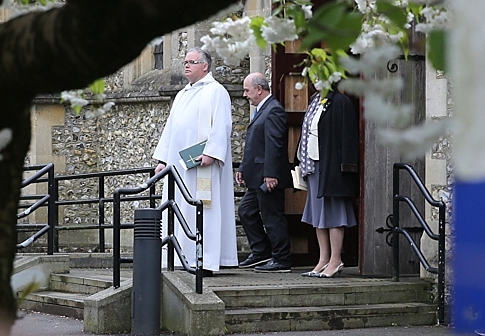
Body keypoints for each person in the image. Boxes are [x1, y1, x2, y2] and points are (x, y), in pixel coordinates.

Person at [153, 48, 238, 272]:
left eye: (192, 62)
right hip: (178, 166)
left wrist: (212, 152)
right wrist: (163, 159)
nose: (187, 66)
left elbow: (222, 124)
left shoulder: (216, 91)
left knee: (202, 207)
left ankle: (204, 259)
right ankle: (180, 256)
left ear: (205, 66)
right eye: (185, 62)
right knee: (178, 206)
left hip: (202, 165)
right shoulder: (181, 94)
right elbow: (171, 128)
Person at [297, 85, 358, 278]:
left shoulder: (341, 102)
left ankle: (336, 259)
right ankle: (323, 259)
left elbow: (348, 137)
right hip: (314, 166)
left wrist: (346, 167)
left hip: (332, 167)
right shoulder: (315, 100)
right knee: (318, 215)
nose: (317, 79)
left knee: (333, 214)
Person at [235, 73, 293, 272]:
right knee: (246, 211)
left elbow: (274, 145)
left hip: (267, 177)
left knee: (272, 216)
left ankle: (282, 259)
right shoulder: (262, 110)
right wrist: (243, 167)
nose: (245, 95)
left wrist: (271, 174)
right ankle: (261, 252)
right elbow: (254, 145)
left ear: (259, 89)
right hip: (256, 176)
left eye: (247, 90)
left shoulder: (273, 110)